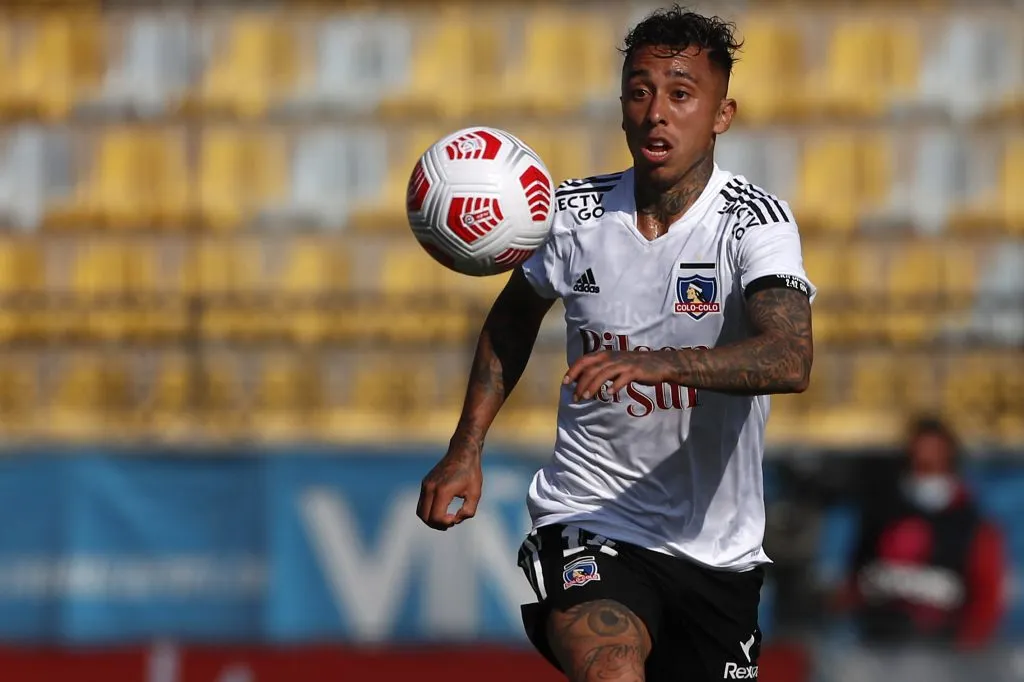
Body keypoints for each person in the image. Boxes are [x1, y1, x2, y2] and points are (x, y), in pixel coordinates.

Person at [417, 6, 816, 681]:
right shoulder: (572, 216)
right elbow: (513, 318)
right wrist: (466, 446)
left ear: (722, 114)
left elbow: (788, 355)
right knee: (610, 666)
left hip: (717, 551)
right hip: (593, 513)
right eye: (640, 91)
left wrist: (660, 362)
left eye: (681, 94)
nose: (656, 111)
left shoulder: (755, 223)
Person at [837, 416, 1006, 650]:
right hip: (880, 644)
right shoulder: (880, 514)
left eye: (934, 453)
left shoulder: (972, 525)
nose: (925, 461)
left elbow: (986, 597)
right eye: (919, 453)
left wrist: (968, 649)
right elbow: (853, 579)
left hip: (943, 649)